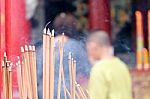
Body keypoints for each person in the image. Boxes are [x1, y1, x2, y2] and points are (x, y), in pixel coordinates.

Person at [86, 30, 132, 99]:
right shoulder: (121, 65)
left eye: (88, 49)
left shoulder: (98, 70)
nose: (88, 53)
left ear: (94, 46)